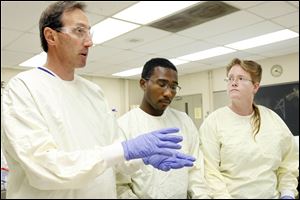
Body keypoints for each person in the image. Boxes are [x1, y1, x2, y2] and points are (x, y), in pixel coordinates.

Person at [1, 2, 195, 198]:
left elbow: (113, 155)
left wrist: (141, 158)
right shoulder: (24, 88)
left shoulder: (94, 92)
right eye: (79, 31)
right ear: (51, 36)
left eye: (89, 32)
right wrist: (125, 149)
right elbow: (44, 168)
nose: (89, 42)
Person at [199, 58, 299, 199]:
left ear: (255, 87)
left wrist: (287, 192)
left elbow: (289, 162)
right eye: (230, 78)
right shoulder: (214, 122)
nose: (233, 82)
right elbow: (210, 171)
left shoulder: (272, 119)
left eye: (241, 78)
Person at [116, 58, 211, 199]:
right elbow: (120, 185)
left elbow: (195, 170)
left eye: (173, 87)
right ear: (143, 84)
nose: (168, 93)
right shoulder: (123, 125)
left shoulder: (184, 120)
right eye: (162, 84)